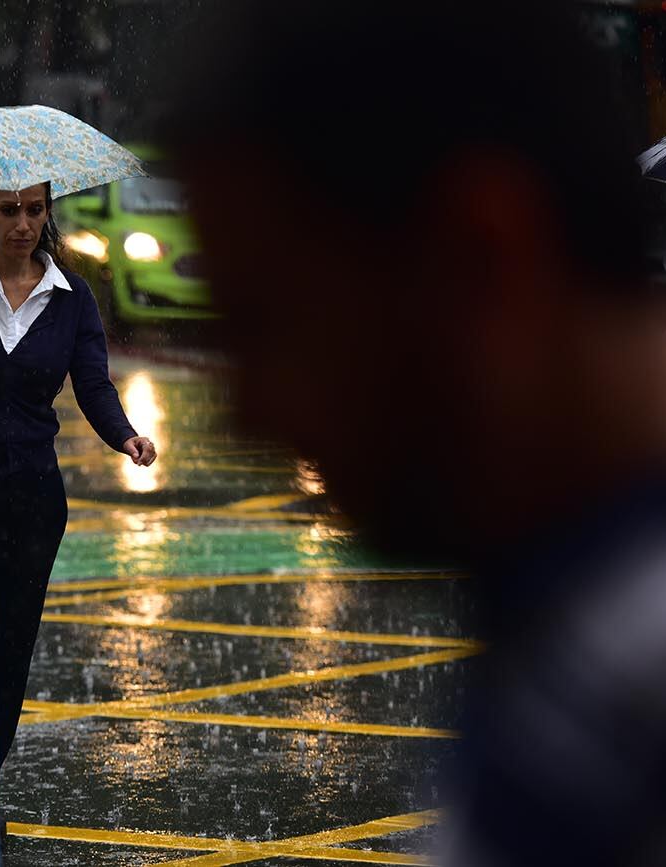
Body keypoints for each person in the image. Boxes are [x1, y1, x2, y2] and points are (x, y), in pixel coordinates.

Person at [166, 1, 666, 864]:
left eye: (268, 326)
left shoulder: (627, 702)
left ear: (479, 258)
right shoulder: (569, 637)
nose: (246, 414)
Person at [0, 182, 157, 844]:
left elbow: (93, 381)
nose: (22, 223)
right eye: (9, 210)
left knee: (12, 655)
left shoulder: (70, 295)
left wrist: (125, 434)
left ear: (48, 214)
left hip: (36, 499)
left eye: (35, 210)